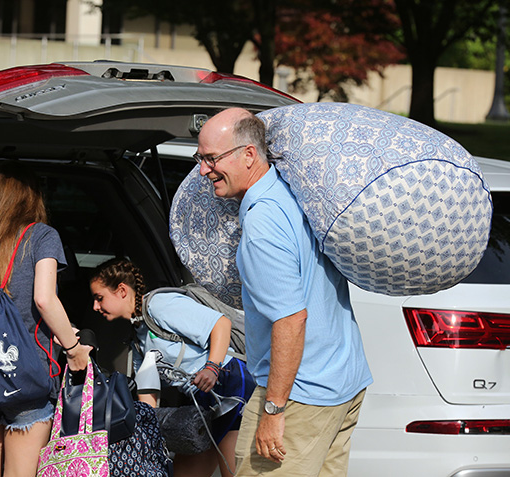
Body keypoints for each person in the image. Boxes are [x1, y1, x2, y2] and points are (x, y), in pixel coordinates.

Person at [195, 108, 373, 476]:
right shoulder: (294, 192)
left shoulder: (262, 224)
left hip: (300, 397)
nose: (203, 170)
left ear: (248, 155)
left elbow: (291, 319)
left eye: (212, 159)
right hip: (344, 381)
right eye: (201, 158)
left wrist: (274, 410)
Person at [0, 163, 91, 477]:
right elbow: (44, 299)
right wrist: (73, 347)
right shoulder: (42, 236)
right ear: (34, 197)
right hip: (26, 376)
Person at [89, 258, 255, 477]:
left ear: (121, 291)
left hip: (229, 385)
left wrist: (212, 368)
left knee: (233, 471)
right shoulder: (137, 335)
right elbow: (148, 391)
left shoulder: (160, 305)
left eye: (99, 298)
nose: (95, 307)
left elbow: (220, 324)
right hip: (203, 399)